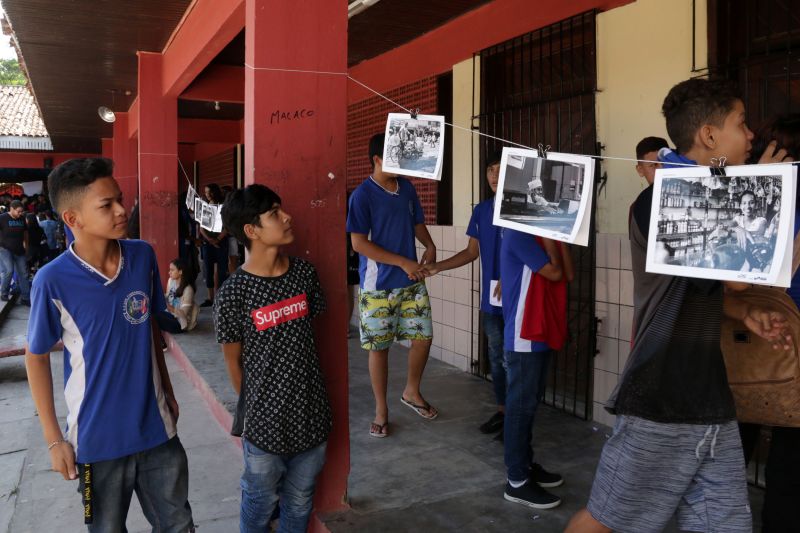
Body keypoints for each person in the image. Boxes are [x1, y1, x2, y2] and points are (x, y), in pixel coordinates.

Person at [566, 78, 792, 533]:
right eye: (741, 124)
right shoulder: (659, 202)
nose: (751, 137)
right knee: (605, 522)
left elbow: (709, 288)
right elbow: (738, 277)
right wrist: (771, 188)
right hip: (661, 397)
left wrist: (743, 314)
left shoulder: (706, 194)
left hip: (710, 400)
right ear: (709, 136)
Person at [24, 157, 194, 532]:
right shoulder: (52, 281)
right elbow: (35, 357)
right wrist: (55, 441)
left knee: (178, 525)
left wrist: (166, 389)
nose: (121, 211)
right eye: (106, 205)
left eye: (119, 199)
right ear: (73, 219)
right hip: (95, 443)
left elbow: (149, 326)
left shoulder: (142, 255)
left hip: (157, 430)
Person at [213, 184, 331, 533]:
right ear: (251, 230)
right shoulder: (234, 292)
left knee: (299, 501)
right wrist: (257, 410)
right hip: (265, 427)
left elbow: (311, 335)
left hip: (312, 416)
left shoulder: (305, 275)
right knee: (259, 502)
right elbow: (233, 362)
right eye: (274, 213)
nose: (287, 216)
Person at [347, 133, 438, 438]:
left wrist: (429, 244)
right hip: (378, 286)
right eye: (394, 156)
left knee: (423, 338)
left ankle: (412, 391)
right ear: (377, 159)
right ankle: (381, 410)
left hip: (412, 280)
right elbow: (359, 244)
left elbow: (417, 223)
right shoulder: (362, 195)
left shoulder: (407, 188)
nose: (403, 161)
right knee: (379, 348)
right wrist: (402, 261)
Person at [738, 113, 800, 533]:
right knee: (789, 469)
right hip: (779, 333)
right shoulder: (761, 194)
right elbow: (780, 271)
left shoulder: (750, 194)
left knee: (731, 453)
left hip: (749, 338)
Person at [422, 152, 507, 437]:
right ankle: (503, 412)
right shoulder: (482, 210)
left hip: (521, 296)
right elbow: (472, 252)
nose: (494, 174)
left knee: (517, 358)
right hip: (491, 301)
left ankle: (518, 419)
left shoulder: (524, 210)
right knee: (496, 357)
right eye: (489, 169)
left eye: (499, 168)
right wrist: (438, 267)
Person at [497, 227, 567, 509]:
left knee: (528, 404)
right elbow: (555, 272)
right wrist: (552, 240)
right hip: (523, 333)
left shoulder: (534, 233)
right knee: (520, 408)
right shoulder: (519, 234)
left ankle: (524, 465)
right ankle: (516, 480)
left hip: (538, 330)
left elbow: (567, 272)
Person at [198, 184, 229, 307]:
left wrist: (217, 239)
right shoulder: (204, 208)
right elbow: (201, 228)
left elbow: (226, 227)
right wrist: (211, 240)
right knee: (208, 270)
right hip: (208, 243)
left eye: (210, 192)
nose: (207, 194)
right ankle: (210, 298)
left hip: (221, 242)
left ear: (215, 192)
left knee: (222, 270)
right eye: (206, 192)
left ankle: (220, 297)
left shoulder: (223, 207)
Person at [0, 200, 30, 304]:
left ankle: (26, 298)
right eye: (18, 211)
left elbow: (25, 233)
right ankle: (4, 293)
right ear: (11, 209)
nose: (20, 213)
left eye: (22, 211)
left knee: (24, 273)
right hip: (4, 249)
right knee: (9, 270)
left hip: (19, 250)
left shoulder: (22, 218)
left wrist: (26, 246)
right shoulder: (2, 218)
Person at [161, 258, 198, 333]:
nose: (169, 272)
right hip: (169, 315)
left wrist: (167, 306)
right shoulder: (171, 281)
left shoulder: (188, 290)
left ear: (180, 271)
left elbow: (183, 314)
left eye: (172, 270)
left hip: (180, 323)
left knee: (155, 315)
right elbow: (168, 296)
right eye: (169, 270)